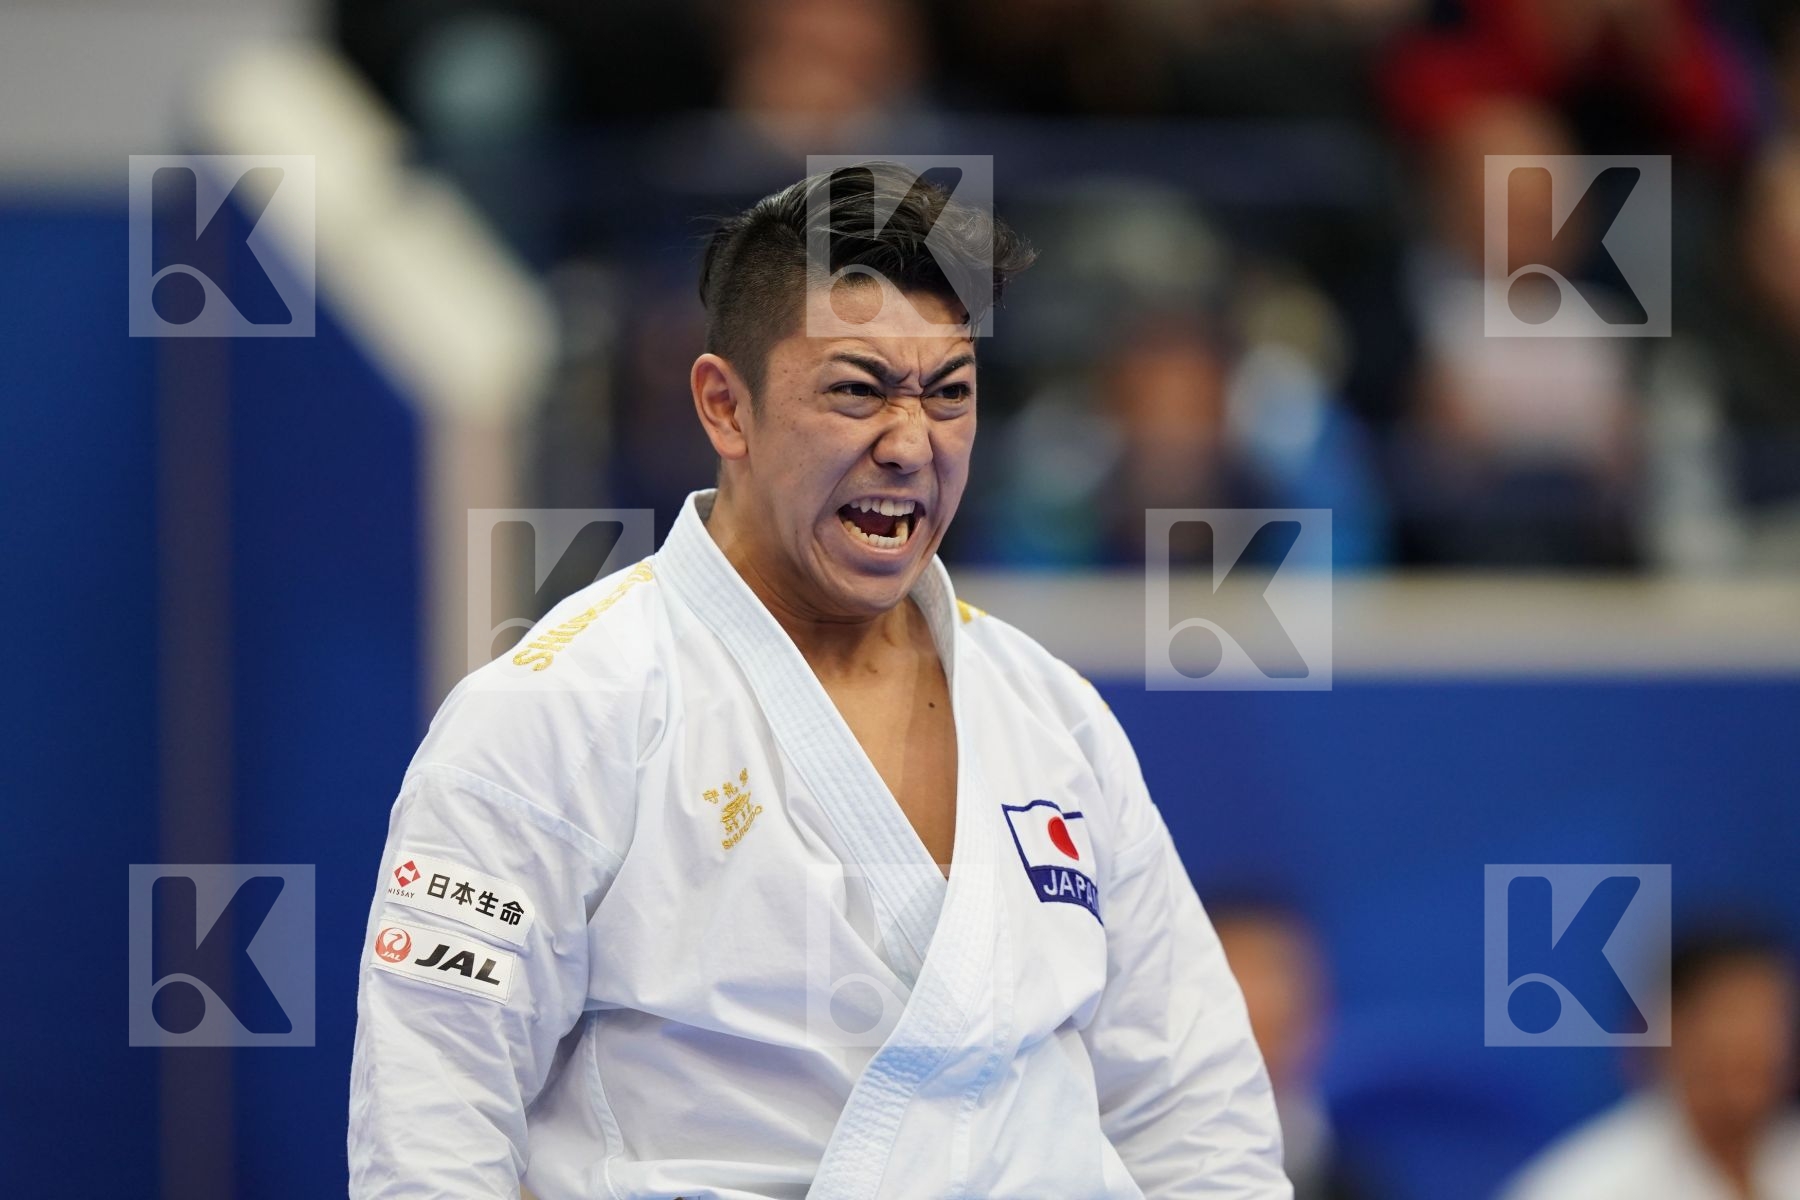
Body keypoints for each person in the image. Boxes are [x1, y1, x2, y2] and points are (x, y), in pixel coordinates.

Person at [347, 163, 1291, 1199]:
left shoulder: (1051, 715)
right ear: (726, 408)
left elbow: (1197, 1115)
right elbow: (429, 1139)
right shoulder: (554, 714)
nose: (910, 442)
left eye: (949, 395)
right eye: (858, 390)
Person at [1499, 929, 1800, 1200]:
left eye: (1771, 1020)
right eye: (1732, 1018)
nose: (1755, 1044)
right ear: (1669, 1027)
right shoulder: (1584, 1187)